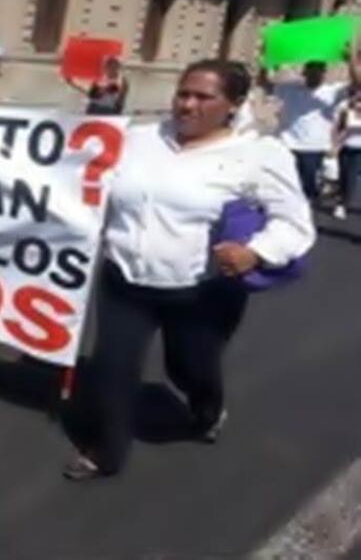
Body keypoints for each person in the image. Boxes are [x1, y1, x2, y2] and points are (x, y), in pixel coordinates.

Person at [63, 59, 315, 480]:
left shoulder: (257, 156)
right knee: (113, 367)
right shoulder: (139, 139)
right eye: (183, 93)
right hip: (125, 279)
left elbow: (294, 224)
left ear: (233, 105)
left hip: (202, 292)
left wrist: (256, 253)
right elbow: (76, 159)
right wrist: (102, 103)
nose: (188, 104)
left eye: (204, 97)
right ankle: (104, 452)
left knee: (190, 366)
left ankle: (206, 410)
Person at [274, 61, 347, 201]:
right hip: (287, 143)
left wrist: (352, 61)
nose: (314, 75)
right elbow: (266, 84)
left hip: (313, 148)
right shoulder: (290, 88)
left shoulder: (333, 91)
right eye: (311, 71)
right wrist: (267, 60)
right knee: (284, 182)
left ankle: (307, 205)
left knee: (307, 186)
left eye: (318, 71)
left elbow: (356, 84)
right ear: (305, 73)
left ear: (323, 74)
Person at [332, 85, 361, 219]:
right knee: (343, 175)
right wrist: (334, 145)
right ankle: (340, 200)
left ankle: (343, 204)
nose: (358, 96)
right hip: (345, 147)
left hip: (359, 150)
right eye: (356, 93)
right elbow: (337, 126)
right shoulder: (344, 107)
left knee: (351, 178)